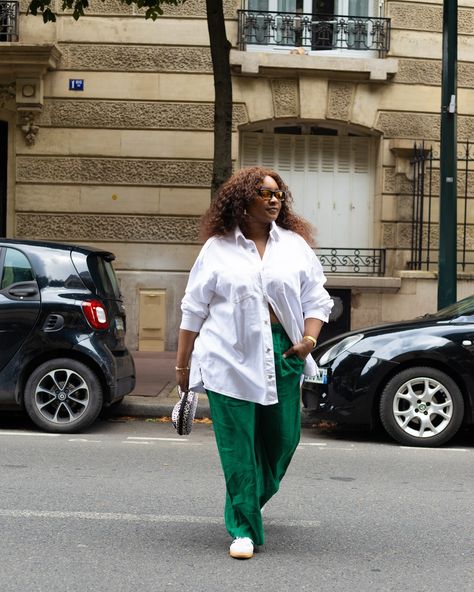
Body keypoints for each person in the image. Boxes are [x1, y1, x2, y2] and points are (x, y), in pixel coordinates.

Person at [175, 166, 333, 559]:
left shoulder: (295, 246)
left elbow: (317, 300)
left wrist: (308, 340)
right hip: (226, 355)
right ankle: (243, 528)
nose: (274, 199)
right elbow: (193, 310)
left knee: (283, 440)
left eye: (277, 193)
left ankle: (248, 500)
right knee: (238, 446)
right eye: (264, 193)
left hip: (284, 352)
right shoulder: (217, 249)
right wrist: (182, 368)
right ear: (243, 201)